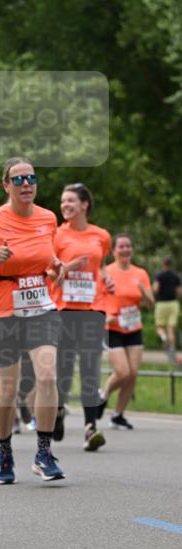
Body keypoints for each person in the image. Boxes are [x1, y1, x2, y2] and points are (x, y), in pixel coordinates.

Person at [0, 157, 65, 484]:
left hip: (40, 307)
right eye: (19, 179)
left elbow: (46, 256)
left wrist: (55, 266)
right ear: (6, 185)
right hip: (2, 310)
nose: (26, 184)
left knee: (48, 376)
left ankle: (43, 453)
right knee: (8, 388)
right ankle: (4, 450)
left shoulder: (48, 218)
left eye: (31, 178)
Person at [52, 183, 114, 451]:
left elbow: (101, 265)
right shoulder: (56, 235)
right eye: (63, 201)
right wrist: (67, 268)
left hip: (93, 308)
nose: (65, 205)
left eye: (70, 201)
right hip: (64, 308)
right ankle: (58, 410)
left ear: (84, 204)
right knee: (64, 367)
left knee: (90, 366)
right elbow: (48, 271)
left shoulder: (101, 235)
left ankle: (90, 427)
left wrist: (107, 279)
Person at [99, 234, 154, 430]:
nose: (125, 250)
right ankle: (103, 394)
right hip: (112, 327)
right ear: (114, 251)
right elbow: (97, 299)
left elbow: (150, 304)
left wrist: (144, 292)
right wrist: (105, 316)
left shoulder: (140, 273)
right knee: (122, 371)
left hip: (133, 327)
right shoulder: (107, 272)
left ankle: (118, 415)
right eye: (121, 246)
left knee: (133, 374)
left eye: (128, 246)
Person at [153, 256, 180, 365]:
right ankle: (172, 350)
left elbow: (155, 289)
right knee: (171, 329)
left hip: (161, 304)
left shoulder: (158, 275)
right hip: (173, 304)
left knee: (159, 327)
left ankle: (164, 338)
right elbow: (179, 291)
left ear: (163, 263)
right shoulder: (175, 276)